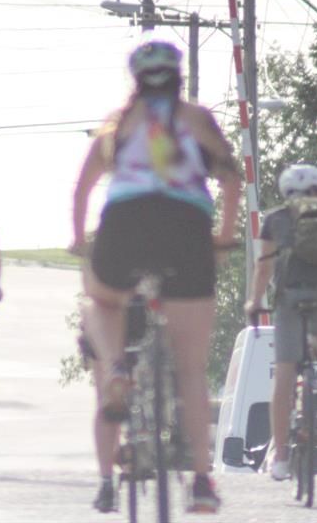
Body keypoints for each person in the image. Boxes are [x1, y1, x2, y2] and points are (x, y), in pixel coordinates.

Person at [70, 37, 241, 514]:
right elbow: (231, 180)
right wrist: (223, 239)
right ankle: (202, 482)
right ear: (178, 76)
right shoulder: (198, 120)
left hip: (124, 224)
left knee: (101, 298)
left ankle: (116, 368)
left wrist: (80, 242)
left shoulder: (118, 125)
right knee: (191, 368)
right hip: (186, 229)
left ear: (137, 80)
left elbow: (82, 191)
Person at [244, 163, 317, 481]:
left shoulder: (275, 219)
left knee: (284, 375)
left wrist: (254, 301)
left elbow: (264, 266)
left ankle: (280, 458)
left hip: (290, 296)